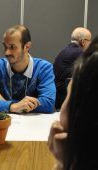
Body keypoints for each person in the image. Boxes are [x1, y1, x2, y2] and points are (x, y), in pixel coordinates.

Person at [0, 25, 56, 113]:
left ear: (27, 47)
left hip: (32, 124)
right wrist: (13, 106)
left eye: (12, 47)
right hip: (4, 123)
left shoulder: (44, 68)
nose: (7, 52)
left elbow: (48, 103)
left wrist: (5, 102)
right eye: (5, 46)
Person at [48, 35, 98, 170]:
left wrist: (68, 163)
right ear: (82, 41)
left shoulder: (69, 53)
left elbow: (47, 102)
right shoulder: (80, 55)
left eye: (71, 95)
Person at [53, 27, 91, 109]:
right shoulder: (80, 53)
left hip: (58, 97)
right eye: (89, 41)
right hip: (67, 99)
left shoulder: (64, 51)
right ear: (83, 42)